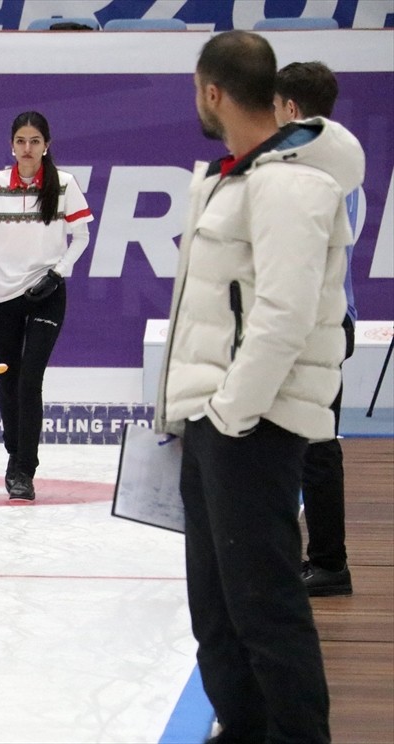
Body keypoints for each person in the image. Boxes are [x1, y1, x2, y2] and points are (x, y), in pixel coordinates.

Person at [155, 30, 363, 743]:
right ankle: (242, 729)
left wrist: (229, 414)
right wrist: (193, 414)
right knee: (216, 608)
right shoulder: (231, 177)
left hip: (252, 427)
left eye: (195, 90)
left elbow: (283, 315)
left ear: (214, 92)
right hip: (215, 423)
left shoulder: (292, 184)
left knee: (264, 605)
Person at [0, 111, 94, 501]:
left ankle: (24, 470)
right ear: (11, 145)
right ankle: (14, 455)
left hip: (47, 293)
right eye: (21, 141)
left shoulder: (65, 185)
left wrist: (58, 273)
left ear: (46, 145)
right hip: (2, 295)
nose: (27, 148)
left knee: (30, 380)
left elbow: (81, 237)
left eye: (35, 141)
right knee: (8, 381)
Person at [275, 60, 359, 597]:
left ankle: (328, 563)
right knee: (307, 443)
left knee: (313, 445)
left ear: (289, 108)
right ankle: (319, 559)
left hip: (315, 324)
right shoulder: (339, 161)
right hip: (330, 319)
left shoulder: (310, 172)